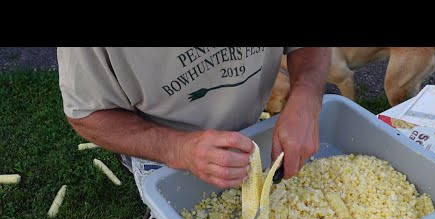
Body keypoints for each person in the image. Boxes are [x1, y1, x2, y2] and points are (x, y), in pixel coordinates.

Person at [57, 47, 331, 208]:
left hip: (251, 129)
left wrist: (306, 96)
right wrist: (179, 149)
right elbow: (88, 114)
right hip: (164, 155)